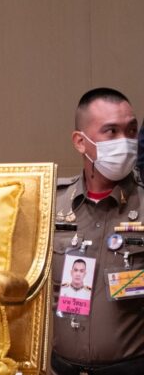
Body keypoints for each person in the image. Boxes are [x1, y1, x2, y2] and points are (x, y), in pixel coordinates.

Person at [51, 88, 144, 375]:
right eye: (111, 132)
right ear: (80, 141)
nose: (125, 142)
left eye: (130, 130)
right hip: (63, 368)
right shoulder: (52, 204)